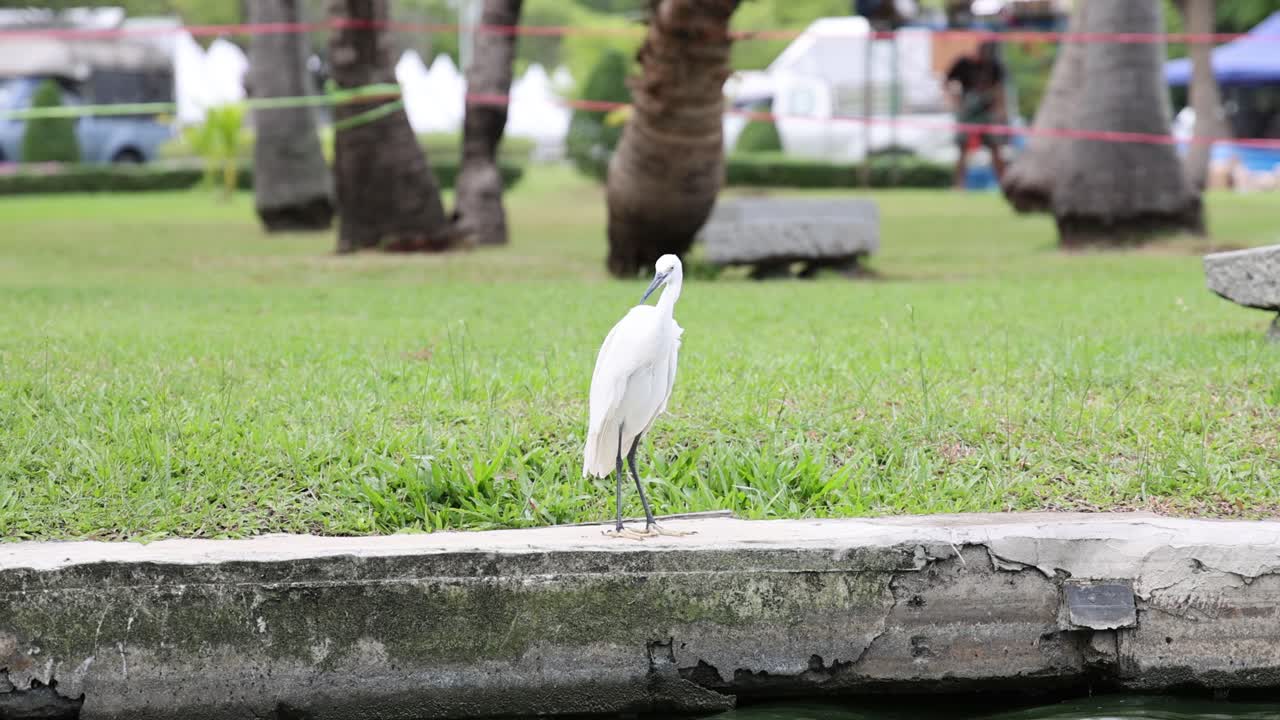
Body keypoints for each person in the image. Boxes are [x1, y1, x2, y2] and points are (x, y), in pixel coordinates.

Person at [944, 41, 1008, 190]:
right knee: (963, 149)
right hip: (967, 111)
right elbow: (947, 82)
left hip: (987, 112)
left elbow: (999, 90)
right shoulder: (963, 63)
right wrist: (955, 102)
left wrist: (999, 111)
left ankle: (1004, 185)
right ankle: (958, 185)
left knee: (995, 148)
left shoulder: (995, 66)